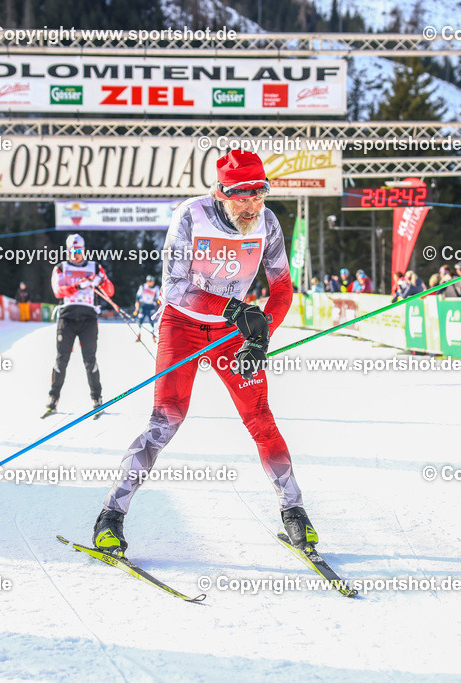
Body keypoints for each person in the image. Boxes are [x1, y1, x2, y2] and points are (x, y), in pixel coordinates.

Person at [92, 149, 318, 556]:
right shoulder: (191, 215)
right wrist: (234, 309)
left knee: (260, 419)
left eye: (259, 194)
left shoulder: (267, 222)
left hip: (232, 334)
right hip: (182, 325)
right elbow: (174, 286)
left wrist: (261, 335)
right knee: (166, 422)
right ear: (221, 192)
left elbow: (282, 287)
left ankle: (294, 510)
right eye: (241, 196)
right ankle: (112, 515)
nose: (251, 205)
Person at [45, 233, 114, 414]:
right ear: (67, 251)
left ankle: (96, 398)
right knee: (62, 359)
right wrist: (77, 286)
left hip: (88, 319)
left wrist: (102, 281)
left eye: (79, 250)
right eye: (72, 251)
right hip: (67, 318)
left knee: (90, 360)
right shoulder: (61, 267)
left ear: (84, 250)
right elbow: (58, 292)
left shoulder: (95, 267)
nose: (75, 254)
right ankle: (53, 398)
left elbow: (110, 291)